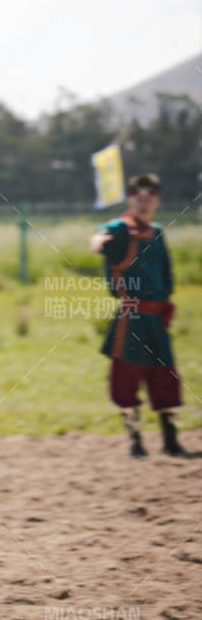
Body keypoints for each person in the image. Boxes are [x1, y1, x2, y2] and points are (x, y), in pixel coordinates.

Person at [90, 173, 190, 458]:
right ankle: (136, 440)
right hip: (131, 319)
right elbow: (101, 234)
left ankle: (171, 441)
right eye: (138, 198)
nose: (144, 203)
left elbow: (166, 272)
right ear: (130, 199)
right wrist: (98, 241)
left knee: (164, 376)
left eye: (149, 198)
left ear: (156, 200)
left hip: (156, 319)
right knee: (126, 378)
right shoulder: (121, 229)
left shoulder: (157, 232)